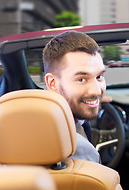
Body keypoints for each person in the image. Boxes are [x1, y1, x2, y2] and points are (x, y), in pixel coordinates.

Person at [43, 31, 107, 163]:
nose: (96, 90)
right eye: (81, 79)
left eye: (99, 77)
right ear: (52, 83)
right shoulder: (76, 148)